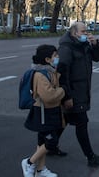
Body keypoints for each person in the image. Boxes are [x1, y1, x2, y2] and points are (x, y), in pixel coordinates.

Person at [57, 21, 99, 168]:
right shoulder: (66, 48)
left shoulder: (84, 45)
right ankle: (91, 157)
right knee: (82, 123)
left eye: (87, 31)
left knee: (64, 120)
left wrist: (95, 44)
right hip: (73, 92)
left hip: (81, 91)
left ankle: (49, 145)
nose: (87, 34)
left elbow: (98, 57)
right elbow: (62, 73)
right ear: (74, 33)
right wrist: (67, 96)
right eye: (83, 32)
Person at [22, 45, 65, 177]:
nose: (57, 57)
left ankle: (40, 170)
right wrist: (63, 90)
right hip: (44, 113)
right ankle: (29, 162)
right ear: (47, 59)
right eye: (55, 55)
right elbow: (49, 96)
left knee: (42, 142)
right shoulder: (41, 75)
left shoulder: (50, 71)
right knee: (51, 141)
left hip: (49, 112)